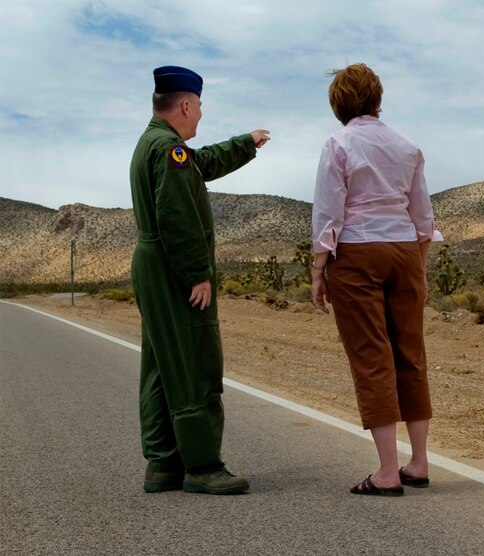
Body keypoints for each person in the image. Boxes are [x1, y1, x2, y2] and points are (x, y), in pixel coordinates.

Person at [130, 65, 270, 495]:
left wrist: (245, 144)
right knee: (193, 359)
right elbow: (176, 214)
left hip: (152, 264)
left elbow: (202, 163)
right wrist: (197, 274)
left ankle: (163, 464)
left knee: (160, 363)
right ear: (187, 104)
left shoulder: (154, 143)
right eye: (200, 107)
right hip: (173, 266)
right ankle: (202, 466)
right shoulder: (168, 149)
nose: (201, 116)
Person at [311, 63, 442, 496]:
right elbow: (423, 214)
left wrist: (318, 268)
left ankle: (387, 471)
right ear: (378, 99)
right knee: (410, 352)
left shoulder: (339, 143)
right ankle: (419, 462)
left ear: (339, 105)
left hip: (358, 251)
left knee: (372, 355)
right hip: (405, 249)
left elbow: (330, 211)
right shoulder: (408, 146)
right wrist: (417, 263)